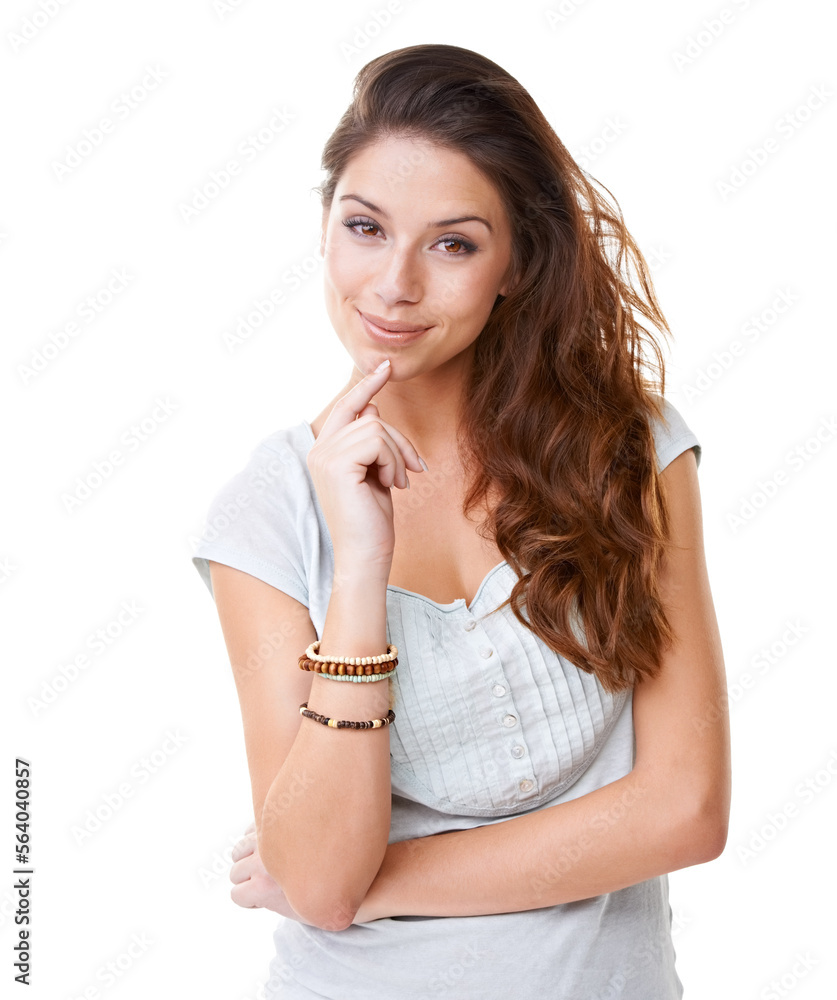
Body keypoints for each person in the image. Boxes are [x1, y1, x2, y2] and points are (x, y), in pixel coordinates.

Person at [191, 42, 731, 999]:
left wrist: (371, 887)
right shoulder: (268, 513)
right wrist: (359, 571)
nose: (394, 285)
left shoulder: (628, 449)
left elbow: (685, 810)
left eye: (452, 243)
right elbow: (316, 871)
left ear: (514, 262)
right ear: (325, 229)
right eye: (364, 227)